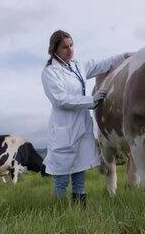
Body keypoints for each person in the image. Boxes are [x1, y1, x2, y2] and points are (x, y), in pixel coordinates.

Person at [41, 30, 131, 207]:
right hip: (63, 129)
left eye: (71, 45)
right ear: (54, 49)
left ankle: (80, 212)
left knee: (80, 177)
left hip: (81, 128)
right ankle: (57, 214)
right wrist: (92, 99)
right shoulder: (50, 72)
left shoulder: (76, 66)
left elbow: (101, 64)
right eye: (65, 47)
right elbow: (60, 100)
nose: (70, 50)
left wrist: (125, 56)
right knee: (61, 180)